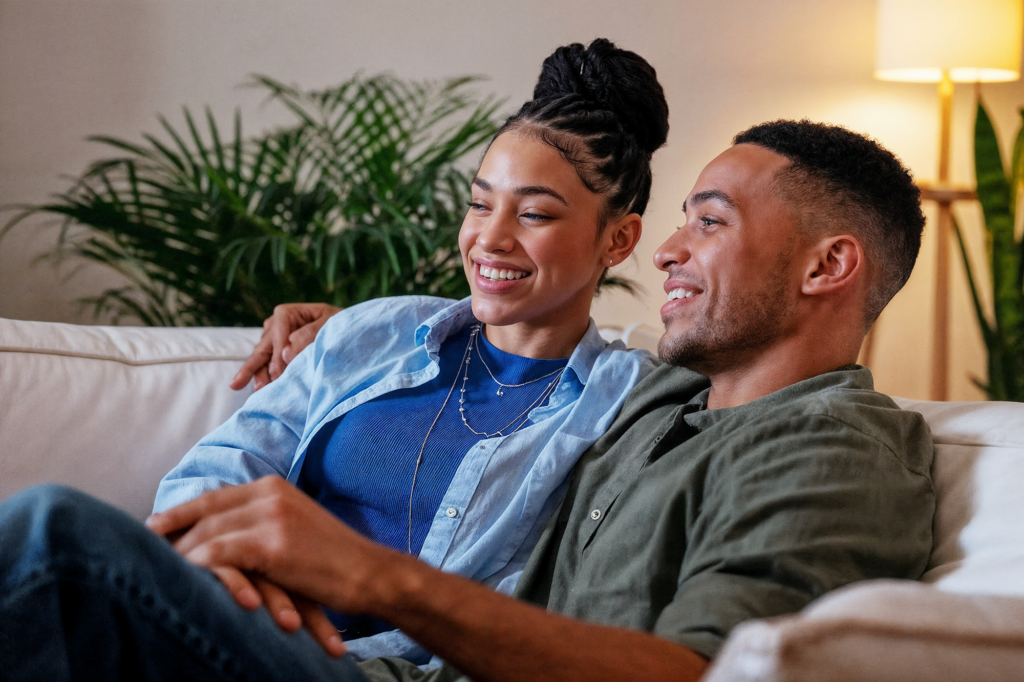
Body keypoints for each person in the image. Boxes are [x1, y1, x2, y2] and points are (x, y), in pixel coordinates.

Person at [0, 118, 933, 682]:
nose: (669, 252)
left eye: (710, 222)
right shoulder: (675, 401)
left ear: (830, 264)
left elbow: (702, 673)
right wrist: (356, 333)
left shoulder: (829, 446)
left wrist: (375, 577)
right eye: (682, 217)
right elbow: (530, 341)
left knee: (58, 541)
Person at [148, 38, 667, 664]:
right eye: (479, 204)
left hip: (380, 671)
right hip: (237, 623)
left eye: (533, 214)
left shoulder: (627, 403)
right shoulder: (378, 334)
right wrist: (233, 583)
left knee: (54, 524)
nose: (489, 239)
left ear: (618, 239)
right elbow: (221, 466)